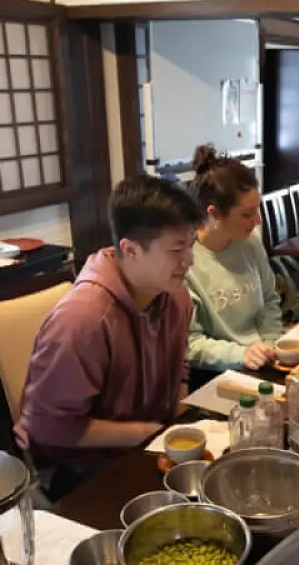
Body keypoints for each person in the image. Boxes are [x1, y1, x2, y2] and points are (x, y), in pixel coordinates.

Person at [15, 174, 203, 470]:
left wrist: (178, 424)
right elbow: (48, 426)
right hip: (80, 469)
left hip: (149, 448)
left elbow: (179, 368)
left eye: (191, 245)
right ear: (130, 250)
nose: (190, 259)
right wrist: (144, 433)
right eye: (177, 250)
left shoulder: (176, 297)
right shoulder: (83, 319)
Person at [184, 145, 283, 371]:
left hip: (263, 358)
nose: (257, 220)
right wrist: (242, 354)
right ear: (214, 214)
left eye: (258, 209)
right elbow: (190, 343)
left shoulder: (250, 241)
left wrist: (268, 345)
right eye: (247, 214)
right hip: (220, 371)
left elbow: (270, 299)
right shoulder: (185, 262)